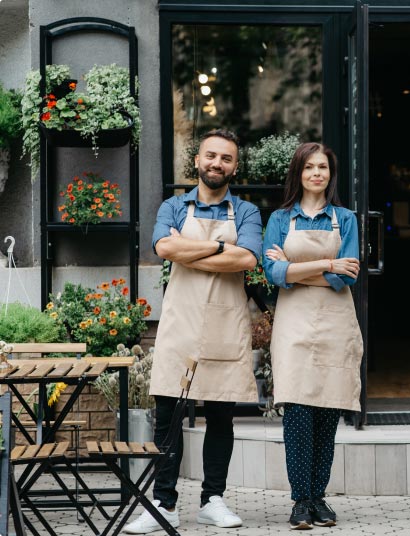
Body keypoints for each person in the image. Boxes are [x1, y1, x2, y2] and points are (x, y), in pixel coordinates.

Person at [124, 129, 262, 534]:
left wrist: (196, 249)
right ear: (197, 160)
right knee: (167, 416)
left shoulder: (248, 212)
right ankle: (164, 505)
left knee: (221, 413)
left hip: (225, 322)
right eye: (211, 155)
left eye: (226, 158)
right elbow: (163, 249)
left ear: (235, 167)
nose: (217, 163)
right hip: (181, 322)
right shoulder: (173, 205)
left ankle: (212, 501)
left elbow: (249, 259)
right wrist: (223, 250)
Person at [262, 142, 363, 530]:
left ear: (329, 174)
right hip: (294, 322)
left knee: (328, 408)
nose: (317, 173)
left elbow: (347, 275)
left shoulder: (346, 219)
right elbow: (272, 274)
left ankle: (319, 498)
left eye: (323, 167)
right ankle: (299, 500)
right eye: (309, 167)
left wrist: (295, 269)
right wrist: (327, 263)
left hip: (336, 320)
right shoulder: (280, 218)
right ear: (298, 173)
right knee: (298, 411)